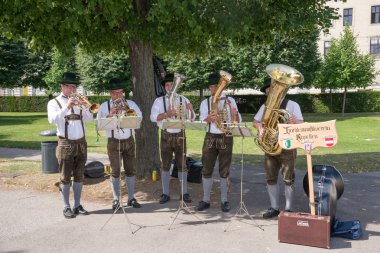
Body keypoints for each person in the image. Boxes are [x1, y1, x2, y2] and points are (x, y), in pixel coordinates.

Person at [253, 76, 304, 219]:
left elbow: (301, 123)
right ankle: (274, 207)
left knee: (288, 178)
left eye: (274, 89)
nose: (271, 92)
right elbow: (256, 121)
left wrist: (295, 122)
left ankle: (288, 209)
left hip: (287, 145)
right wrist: (259, 127)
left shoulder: (292, 105)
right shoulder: (264, 107)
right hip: (270, 146)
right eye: (269, 90)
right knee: (270, 178)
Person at [47, 72, 93, 218]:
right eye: (70, 86)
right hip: (65, 143)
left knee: (79, 176)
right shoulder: (54, 102)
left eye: (74, 86)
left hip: (81, 143)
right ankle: (66, 206)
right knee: (65, 176)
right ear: (62, 86)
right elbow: (52, 119)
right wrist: (67, 107)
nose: (73, 89)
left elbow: (89, 119)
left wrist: (86, 107)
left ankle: (77, 205)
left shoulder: (79, 102)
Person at [197, 72, 241, 212]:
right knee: (206, 169)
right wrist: (209, 118)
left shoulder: (230, 101)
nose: (212, 89)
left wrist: (234, 114)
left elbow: (237, 121)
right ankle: (205, 199)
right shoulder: (205, 102)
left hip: (226, 136)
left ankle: (224, 200)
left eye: (215, 86)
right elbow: (202, 120)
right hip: (210, 136)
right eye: (211, 86)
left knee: (224, 170)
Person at [96, 78, 143, 210]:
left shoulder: (131, 104)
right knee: (115, 171)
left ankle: (131, 198)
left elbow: (139, 118)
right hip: (113, 141)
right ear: (110, 93)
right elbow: (99, 124)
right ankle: (116, 199)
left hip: (129, 140)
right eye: (115, 93)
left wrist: (128, 113)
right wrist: (110, 115)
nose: (118, 95)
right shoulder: (105, 106)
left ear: (123, 92)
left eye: (120, 92)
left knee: (130, 170)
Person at [150, 73, 195, 204]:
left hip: (180, 134)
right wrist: (166, 114)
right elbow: (152, 117)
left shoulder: (183, 99)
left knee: (183, 165)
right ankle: (165, 193)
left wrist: (191, 110)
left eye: (172, 84)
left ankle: (184, 192)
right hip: (166, 135)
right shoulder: (159, 101)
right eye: (168, 85)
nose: (170, 87)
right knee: (165, 165)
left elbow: (191, 118)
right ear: (165, 87)